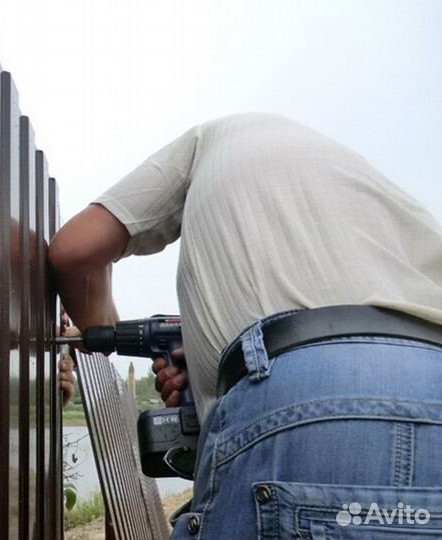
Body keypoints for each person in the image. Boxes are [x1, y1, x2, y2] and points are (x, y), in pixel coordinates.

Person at [49, 113, 442, 538]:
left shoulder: (208, 140)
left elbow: (76, 251)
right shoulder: (373, 187)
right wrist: (204, 373)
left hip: (300, 391)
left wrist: (98, 332)